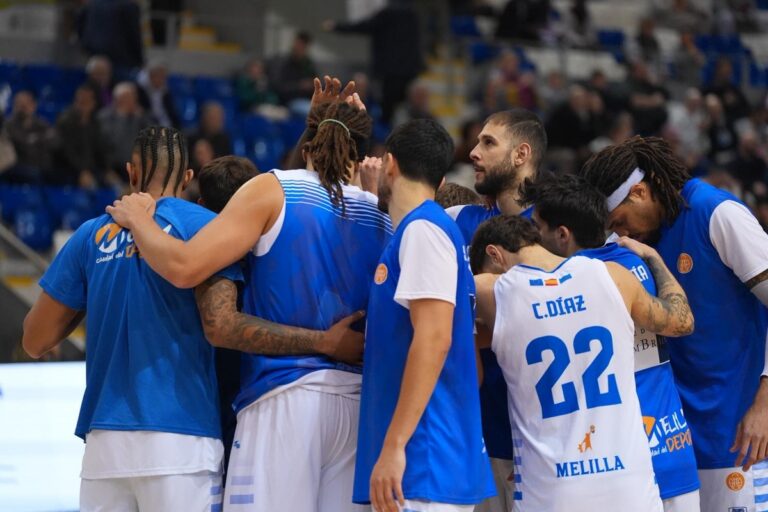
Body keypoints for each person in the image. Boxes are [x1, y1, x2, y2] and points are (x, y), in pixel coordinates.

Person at [23, 125, 363, 511]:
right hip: (183, 438)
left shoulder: (90, 235)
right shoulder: (206, 228)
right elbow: (222, 323)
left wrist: (92, 287)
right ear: (188, 177)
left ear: (130, 173)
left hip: (105, 443)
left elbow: (34, 340)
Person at [106, 78, 392, 512]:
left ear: (308, 141)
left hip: (284, 399)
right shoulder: (381, 214)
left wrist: (139, 219)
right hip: (357, 407)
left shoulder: (272, 190)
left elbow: (184, 268)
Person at [579, 136, 768, 512]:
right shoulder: (639, 244)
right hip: (677, 437)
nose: (622, 235)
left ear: (639, 192)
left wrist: (765, 403)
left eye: (620, 222)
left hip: (741, 429)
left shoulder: (716, 213)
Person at [470, 214, 695, 511]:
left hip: (550, 490)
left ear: (494, 255)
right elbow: (682, 322)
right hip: (628, 486)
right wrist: (654, 258)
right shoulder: (612, 276)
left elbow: (465, 369)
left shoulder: (490, 290)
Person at [520, 172, 701, 511]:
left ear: (562, 235)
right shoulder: (632, 263)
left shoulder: (553, 285)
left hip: (607, 466)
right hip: (671, 445)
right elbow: (683, 321)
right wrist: (654, 257)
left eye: (536, 228)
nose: (531, 238)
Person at [353, 118, 495, 512]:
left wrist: (395, 445)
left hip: (423, 460)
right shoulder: (422, 231)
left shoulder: (423, 231)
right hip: (425, 462)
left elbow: (435, 339)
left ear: (390, 164)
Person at [445, 108, 547, 512]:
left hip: (543, 438)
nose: (473, 152)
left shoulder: (556, 226)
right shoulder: (460, 220)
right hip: (480, 434)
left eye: (488, 143)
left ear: (521, 154)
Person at [323, 1, 424, 125]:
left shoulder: (387, 13)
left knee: (386, 112)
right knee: (406, 111)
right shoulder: (412, 14)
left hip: (389, 73)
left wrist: (337, 26)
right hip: (409, 71)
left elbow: (364, 27)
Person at [53, 85, 109, 187]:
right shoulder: (65, 122)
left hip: (92, 169)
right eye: (80, 101)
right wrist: (82, 171)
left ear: (93, 103)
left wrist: (108, 170)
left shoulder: (95, 123)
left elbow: (100, 150)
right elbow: (67, 151)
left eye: (86, 101)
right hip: (69, 170)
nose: (83, 104)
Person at [98, 82, 153, 175]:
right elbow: (113, 143)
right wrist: (122, 117)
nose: (133, 101)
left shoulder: (142, 117)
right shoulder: (104, 117)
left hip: (139, 167)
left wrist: (139, 118)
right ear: (117, 100)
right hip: (113, 167)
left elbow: (154, 138)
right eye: (128, 98)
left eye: (134, 97)